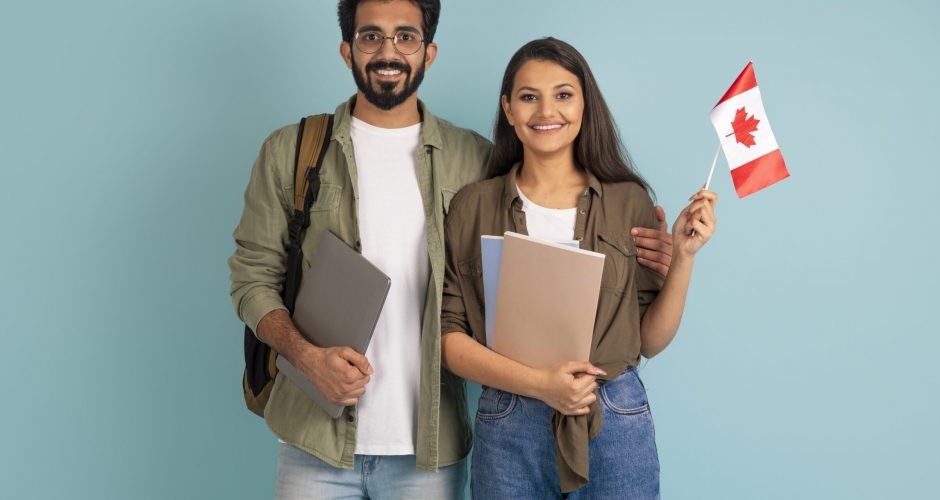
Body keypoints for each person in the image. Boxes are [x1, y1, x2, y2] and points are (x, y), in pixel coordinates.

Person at [228, 2, 675, 498]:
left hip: (431, 449)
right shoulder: (292, 151)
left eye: (406, 37)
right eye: (370, 37)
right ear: (346, 49)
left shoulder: (476, 159)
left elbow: (538, 247)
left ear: (429, 51)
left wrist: (656, 256)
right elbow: (252, 278)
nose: (388, 51)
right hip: (312, 436)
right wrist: (306, 357)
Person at [440, 37, 718, 498]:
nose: (547, 110)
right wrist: (539, 384)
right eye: (529, 96)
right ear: (508, 109)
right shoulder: (472, 206)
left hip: (613, 415)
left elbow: (649, 340)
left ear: (585, 104)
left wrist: (684, 258)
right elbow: (450, 341)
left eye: (564, 94)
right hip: (510, 420)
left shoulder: (629, 200)